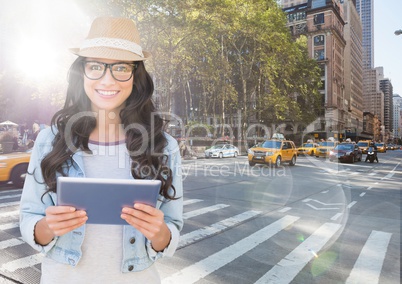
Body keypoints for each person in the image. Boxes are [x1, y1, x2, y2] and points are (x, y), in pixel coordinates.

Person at [19, 17, 183, 283]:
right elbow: (29, 218)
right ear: (81, 72)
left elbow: (172, 229)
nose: (107, 80)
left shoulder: (164, 147)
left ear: (135, 75)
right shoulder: (49, 140)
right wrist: (48, 227)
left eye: (120, 68)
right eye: (95, 66)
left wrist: (158, 232)